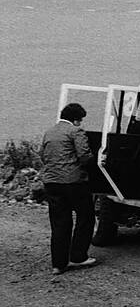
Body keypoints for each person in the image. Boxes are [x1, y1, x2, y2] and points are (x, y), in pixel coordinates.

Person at [39, 103, 97, 276]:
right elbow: (84, 155)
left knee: (59, 222)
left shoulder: (49, 132)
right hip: (73, 182)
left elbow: (42, 155)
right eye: (80, 120)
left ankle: (58, 264)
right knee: (86, 217)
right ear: (75, 119)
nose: (80, 123)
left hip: (51, 183)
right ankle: (78, 256)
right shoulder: (75, 131)